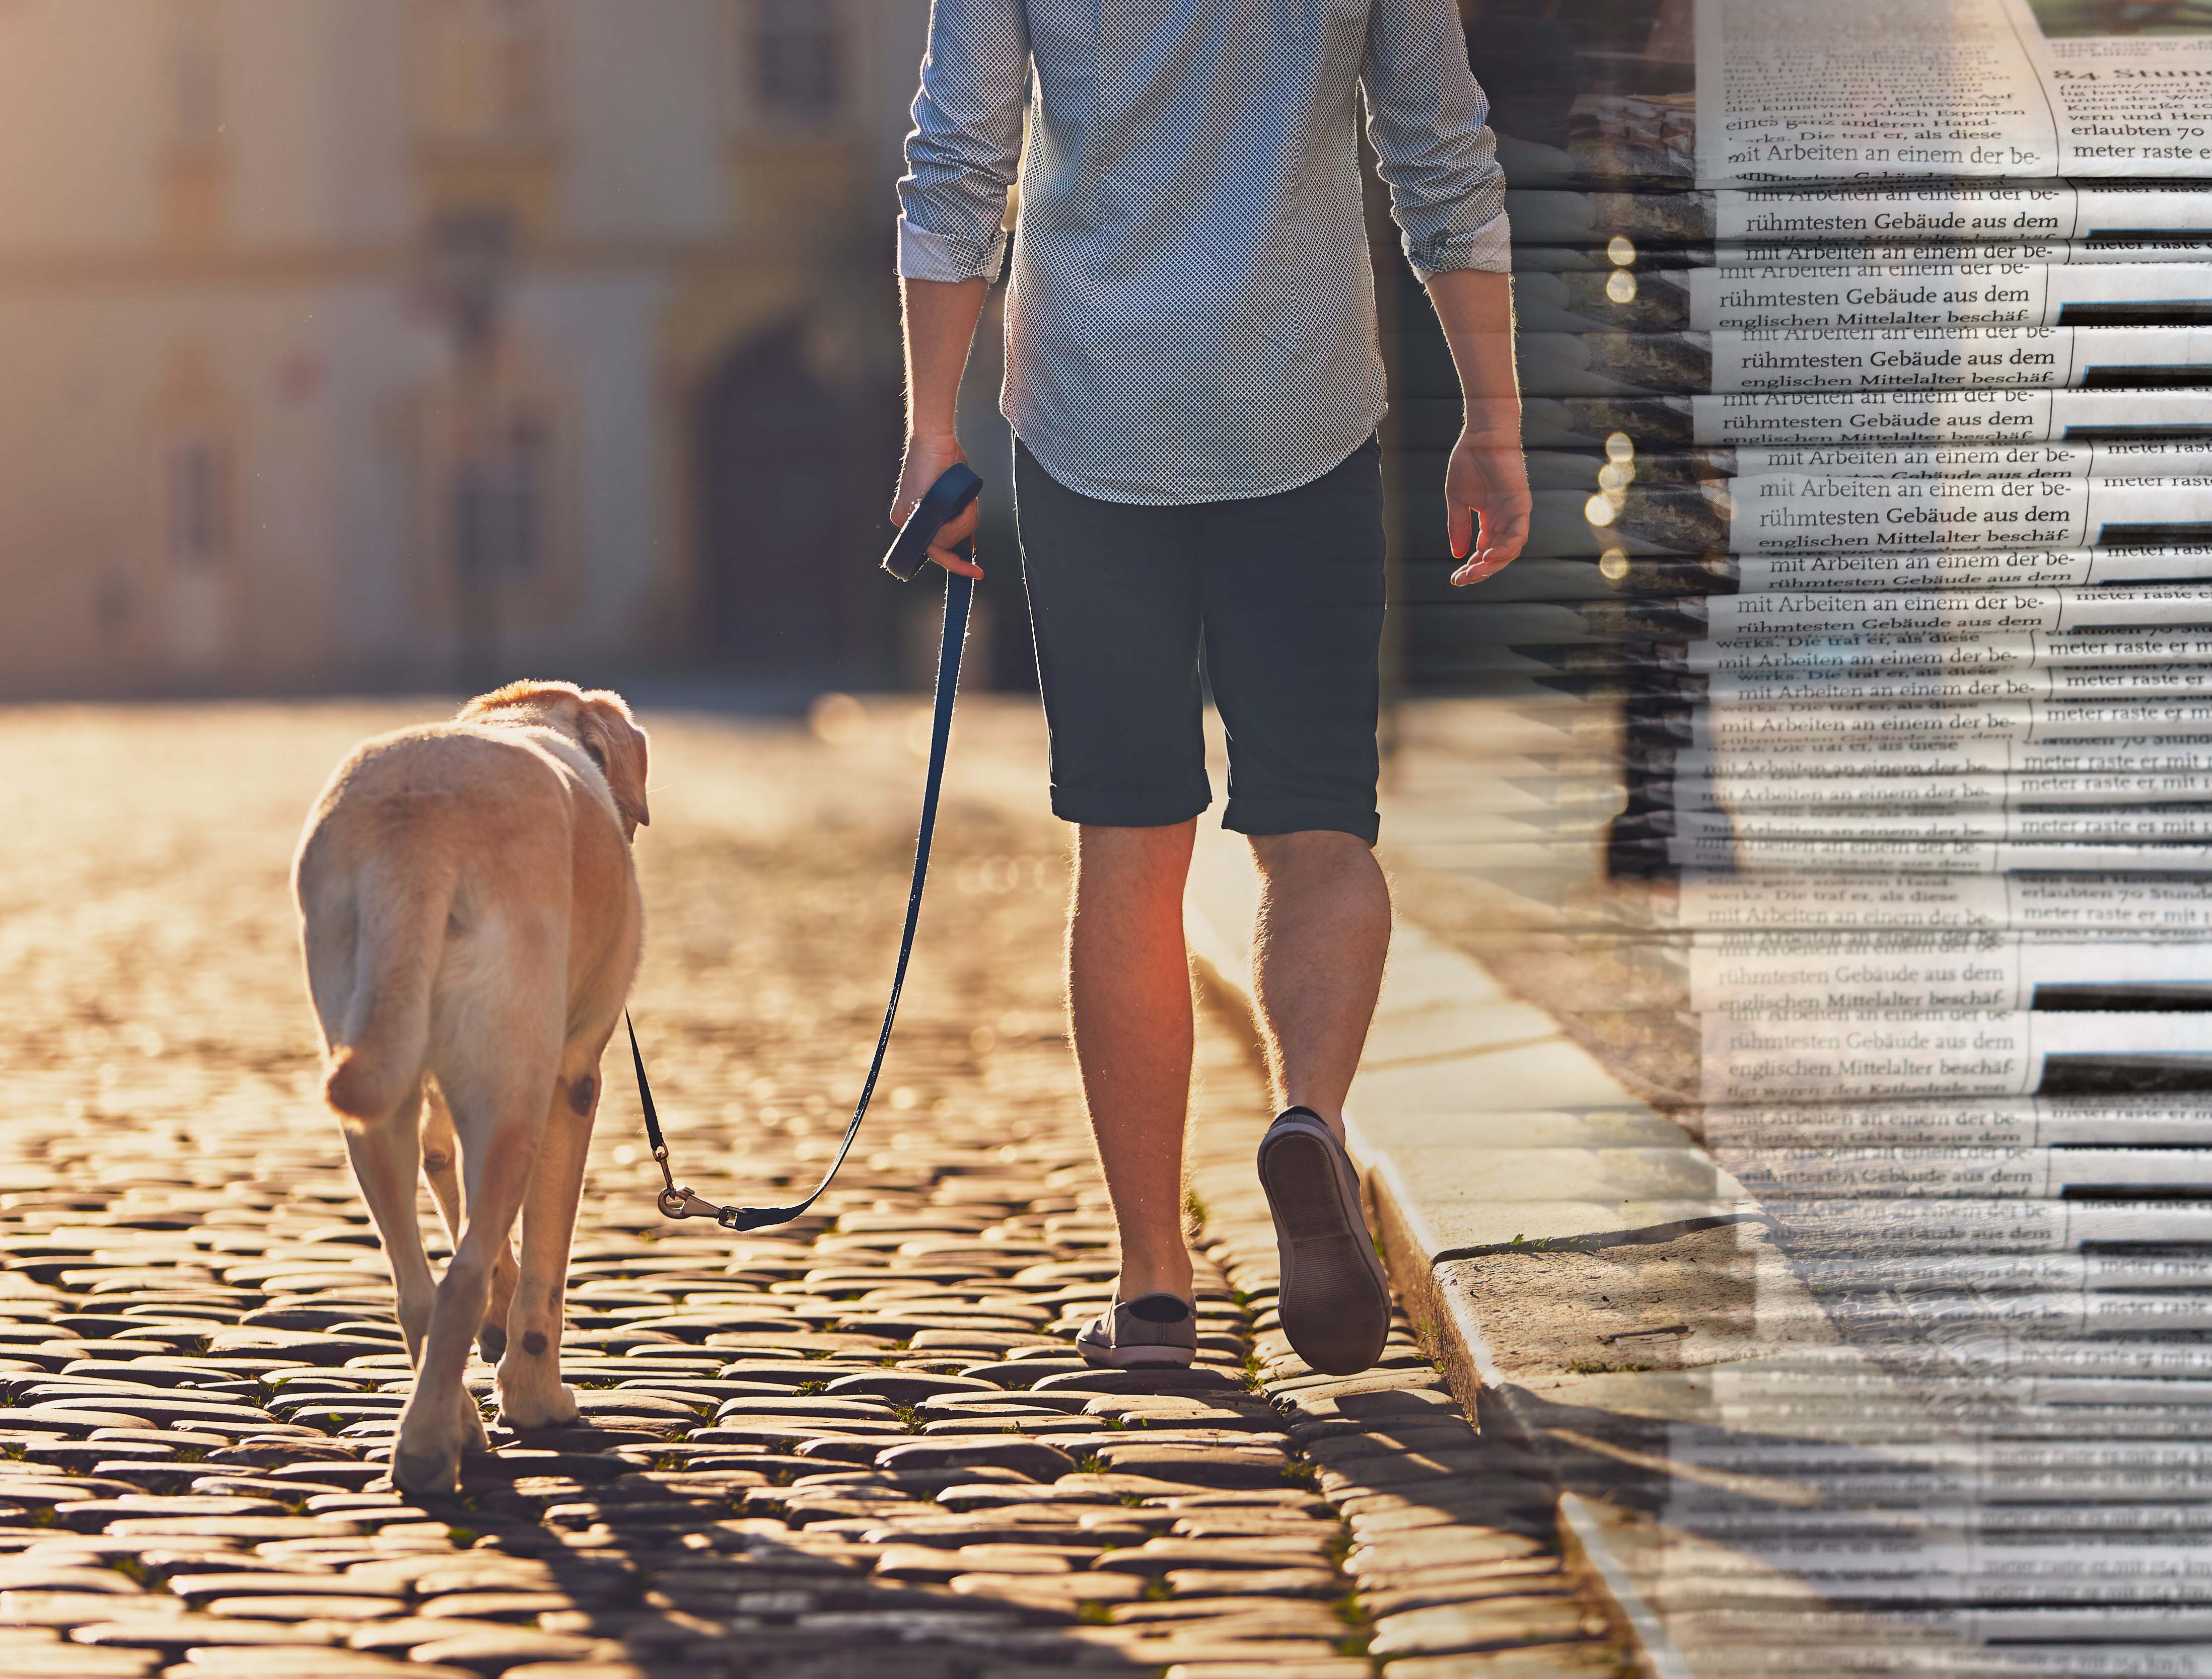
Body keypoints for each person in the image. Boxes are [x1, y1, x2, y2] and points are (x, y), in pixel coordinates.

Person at [891, 0, 1529, 1376]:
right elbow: (1440, 152)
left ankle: (1154, 1284)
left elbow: (958, 161)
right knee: (1318, 824)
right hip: (1298, 405)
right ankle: (1308, 1115)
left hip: (1086, 414)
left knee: (1130, 845)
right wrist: (1491, 417)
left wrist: (930, 431)